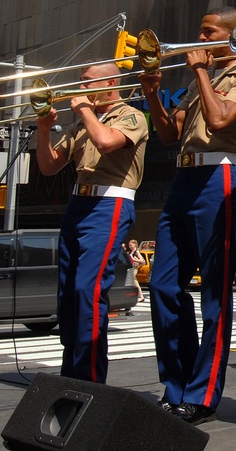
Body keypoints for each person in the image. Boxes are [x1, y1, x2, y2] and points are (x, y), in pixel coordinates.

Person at [140, 6, 236, 425]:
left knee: (214, 293)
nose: (199, 38)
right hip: (185, 177)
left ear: (233, 34)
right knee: (162, 287)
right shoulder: (208, 80)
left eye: (207, 31)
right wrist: (152, 93)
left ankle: (203, 394)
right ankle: (175, 385)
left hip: (219, 176)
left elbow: (219, 120)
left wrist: (197, 74)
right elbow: (167, 134)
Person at [36, 61, 148, 383]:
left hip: (109, 203)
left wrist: (85, 110)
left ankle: (89, 379)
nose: (80, 89)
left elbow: (107, 142)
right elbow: (48, 167)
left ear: (109, 84)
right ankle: (70, 374)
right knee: (68, 292)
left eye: (87, 83)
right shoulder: (83, 123)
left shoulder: (131, 115)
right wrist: (44, 130)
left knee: (88, 288)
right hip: (79, 203)